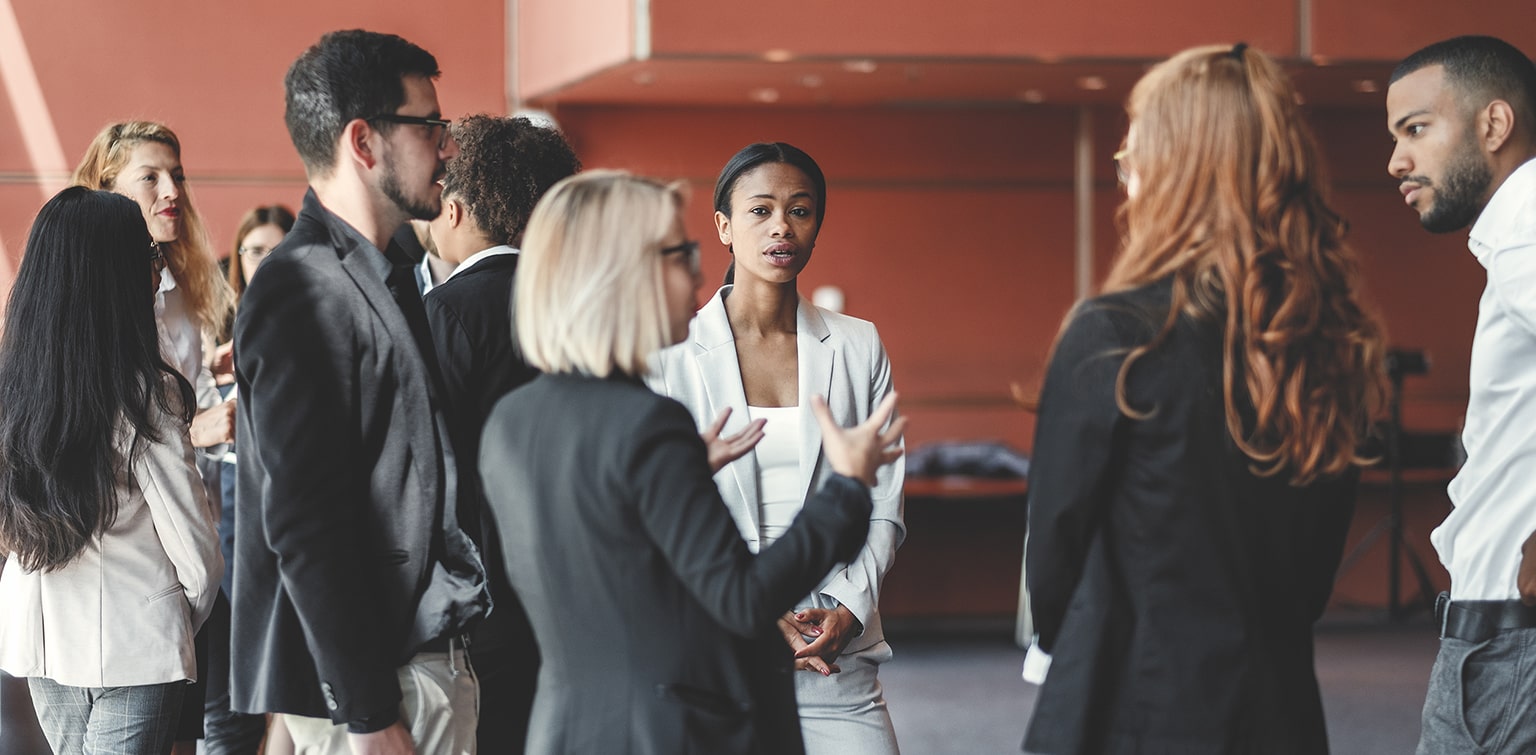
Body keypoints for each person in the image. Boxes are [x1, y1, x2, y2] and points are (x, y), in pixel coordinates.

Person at [1022, 44, 1386, 754]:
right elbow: (1313, 579)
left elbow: (1054, 555)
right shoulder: (1333, 339)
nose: (1126, 177)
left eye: (1134, 153)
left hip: (1131, 700)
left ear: (1175, 169)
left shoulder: (1117, 332)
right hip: (1278, 709)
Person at [480, 170, 905, 754]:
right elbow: (743, 599)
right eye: (680, 254)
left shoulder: (512, 418)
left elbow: (603, 569)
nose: (701, 274)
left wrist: (675, 476)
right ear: (623, 273)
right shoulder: (646, 424)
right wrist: (849, 488)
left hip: (568, 729)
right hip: (667, 731)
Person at [230, 29, 486, 755]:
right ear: (364, 142)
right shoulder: (300, 284)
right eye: (431, 126)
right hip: (383, 687)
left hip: (419, 666)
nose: (447, 147)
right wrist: (367, 711)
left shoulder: (389, 269)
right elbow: (304, 518)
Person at [648, 141, 905, 753]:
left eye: (800, 210)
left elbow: (885, 500)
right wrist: (752, 605)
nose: (781, 227)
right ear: (724, 227)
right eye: (760, 210)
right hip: (720, 639)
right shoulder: (670, 353)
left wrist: (846, 605)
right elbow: (663, 509)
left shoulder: (858, 344)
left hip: (833, 646)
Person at [0, 187, 222, 755]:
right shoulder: (145, 393)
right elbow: (197, 559)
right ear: (113, 275)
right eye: (149, 257)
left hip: (42, 641)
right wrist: (166, 614)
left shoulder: (16, 388)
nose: (159, 273)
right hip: (135, 646)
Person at [1384, 35, 1536, 754]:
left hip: (1511, 649)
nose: (1397, 161)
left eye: (1416, 129)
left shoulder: (1526, 226)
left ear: (1494, 125)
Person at [72, 119, 239, 754]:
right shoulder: (79, 303)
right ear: (106, 189)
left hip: (197, 539)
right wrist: (192, 428)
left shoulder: (182, 284)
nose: (172, 190)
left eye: (178, 176)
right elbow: (99, 432)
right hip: (125, 572)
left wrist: (214, 373)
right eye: (151, 177)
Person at [421, 113, 580, 753]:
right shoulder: (579, 309)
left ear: (455, 210)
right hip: (576, 590)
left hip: (483, 602)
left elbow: (429, 466)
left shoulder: (445, 313)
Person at [227, 205, 296, 298]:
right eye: (256, 252)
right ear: (239, 259)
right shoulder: (216, 311)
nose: (266, 263)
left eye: (279, 251)